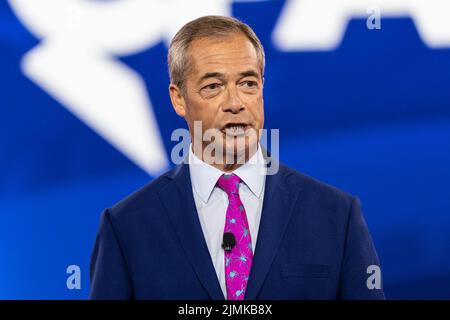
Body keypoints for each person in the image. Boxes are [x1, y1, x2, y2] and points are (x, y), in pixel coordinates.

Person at [89, 15, 384, 300]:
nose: (235, 103)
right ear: (178, 98)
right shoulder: (127, 227)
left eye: (247, 83)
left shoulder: (335, 215)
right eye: (213, 87)